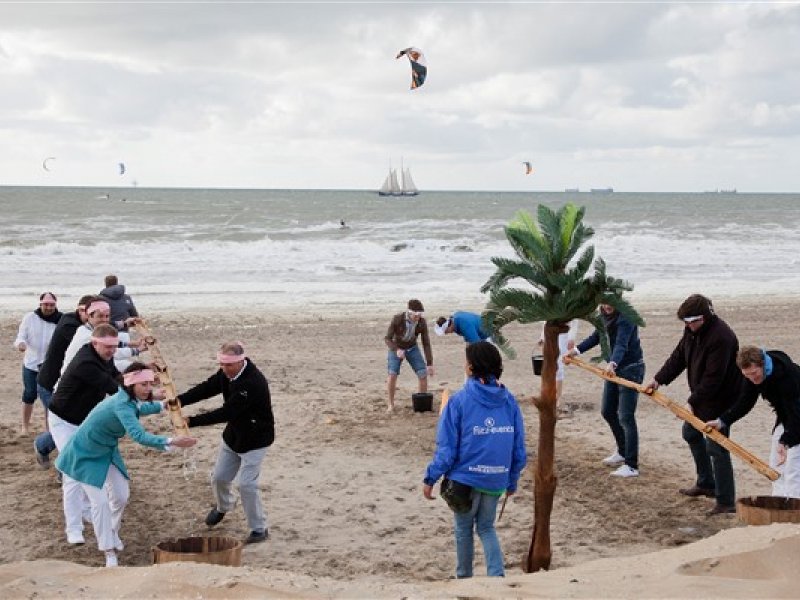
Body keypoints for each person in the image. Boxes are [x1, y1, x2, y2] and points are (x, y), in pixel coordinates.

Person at [54, 363, 196, 567]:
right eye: (144, 384)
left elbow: (138, 408)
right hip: (84, 454)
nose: (149, 388)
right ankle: (108, 551)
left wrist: (162, 405)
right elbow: (139, 436)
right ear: (131, 384)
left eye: (150, 384)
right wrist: (172, 441)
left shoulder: (127, 399)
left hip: (107, 450)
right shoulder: (121, 404)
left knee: (121, 495)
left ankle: (112, 530)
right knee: (100, 502)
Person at [423, 341, 526, 578]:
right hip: (496, 478)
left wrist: (430, 478)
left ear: (471, 367)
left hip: (464, 480)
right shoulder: (508, 400)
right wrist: (511, 481)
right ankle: (496, 576)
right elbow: (518, 450)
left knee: (463, 530)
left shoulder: (458, 402)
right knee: (487, 528)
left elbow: (446, 450)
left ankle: (464, 578)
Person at [645, 294, 743, 516]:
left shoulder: (722, 337)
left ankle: (726, 501)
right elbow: (678, 357)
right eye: (685, 322)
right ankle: (706, 482)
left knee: (717, 447)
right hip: (703, 395)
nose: (689, 326)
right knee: (690, 433)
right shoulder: (691, 331)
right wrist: (658, 379)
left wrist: (691, 402)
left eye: (692, 321)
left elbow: (713, 379)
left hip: (723, 398)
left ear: (705, 316)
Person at [177, 342, 275, 544]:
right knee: (219, 478)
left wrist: (192, 421)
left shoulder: (252, 383)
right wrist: (181, 400)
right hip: (233, 437)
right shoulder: (227, 373)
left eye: (228, 365)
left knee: (246, 485)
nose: (224, 369)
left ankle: (259, 529)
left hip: (256, 440)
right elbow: (207, 388)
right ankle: (223, 507)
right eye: (221, 364)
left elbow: (227, 412)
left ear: (241, 361)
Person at [48, 323, 123, 544]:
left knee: (81, 471)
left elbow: (118, 378)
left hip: (83, 422)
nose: (111, 351)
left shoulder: (104, 358)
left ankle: (87, 510)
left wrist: (141, 381)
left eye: (114, 346)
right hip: (63, 420)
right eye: (107, 347)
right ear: (94, 343)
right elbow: (114, 389)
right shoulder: (86, 363)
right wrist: (146, 396)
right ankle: (73, 528)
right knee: (73, 473)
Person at [706, 346, 800, 498]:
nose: (752, 379)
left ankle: (795, 513)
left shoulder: (786, 376)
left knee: (794, 468)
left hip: (797, 414)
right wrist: (722, 421)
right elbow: (745, 402)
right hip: (786, 415)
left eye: (754, 373)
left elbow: (797, 415)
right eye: (747, 375)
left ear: (762, 364)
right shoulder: (752, 376)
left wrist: (786, 441)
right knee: (775, 465)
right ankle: (779, 505)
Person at [566, 304, 644, 478]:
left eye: (610, 302)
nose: (607, 306)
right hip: (613, 370)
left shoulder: (626, 317)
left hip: (630, 369)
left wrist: (613, 363)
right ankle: (622, 451)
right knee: (608, 411)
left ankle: (631, 465)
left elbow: (621, 344)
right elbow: (597, 336)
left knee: (626, 416)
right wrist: (576, 351)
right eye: (604, 302)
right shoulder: (602, 315)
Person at [34, 294, 96, 468]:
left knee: (69, 425)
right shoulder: (70, 325)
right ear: (79, 309)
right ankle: (64, 470)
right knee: (65, 427)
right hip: (49, 384)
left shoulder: (86, 327)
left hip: (66, 385)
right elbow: (96, 343)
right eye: (86, 311)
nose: (89, 316)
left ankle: (43, 445)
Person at [14, 292, 63, 435]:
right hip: (31, 363)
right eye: (45, 304)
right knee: (29, 394)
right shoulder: (30, 318)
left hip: (50, 366)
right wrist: (21, 344)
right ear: (40, 304)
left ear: (55, 305)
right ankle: (25, 426)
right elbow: (20, 337)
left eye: (51, 305)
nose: (48, 307)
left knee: (49, 398)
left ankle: (49, 429)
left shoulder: (61, 320)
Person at [62, 299, 144, 373]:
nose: (105, 320)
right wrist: (138, 350)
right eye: (100, 316)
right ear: (89, 316)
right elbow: (112, 353)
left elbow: (111, 342)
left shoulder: (86, 328)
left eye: (107, 316)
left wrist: (133, 343)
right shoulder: (86, 335)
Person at [385, 299, 434, 412]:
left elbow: (426, 343)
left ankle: (422, 405)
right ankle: (391, 404)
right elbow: (387, 338)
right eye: (416, 314)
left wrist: (430, 363)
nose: (418, 317)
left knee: (423, 374)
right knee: (392, 374)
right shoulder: (397, 319)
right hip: (396, 348)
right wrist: (396, 349)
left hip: (412, 348)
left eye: (420, 314)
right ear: (410, 312)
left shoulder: (422, 322)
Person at [538, 319, 578, 401]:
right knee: (546, 365)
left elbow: (574, 320)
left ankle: (558, 397)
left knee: (558, 365)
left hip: (563, 332)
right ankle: (545, 394)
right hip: (549, 333)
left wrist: (571, 338)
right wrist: (542, 337)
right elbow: (546, 320)